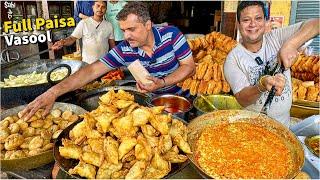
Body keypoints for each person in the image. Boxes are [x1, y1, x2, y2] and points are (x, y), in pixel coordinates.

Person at [21, 1, 195, 120]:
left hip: (182, 104)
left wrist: (162, 82)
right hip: (150, 108)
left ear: (148, 25)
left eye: (131, 29)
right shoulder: (125, 49)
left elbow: (189, 67)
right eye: (123, 30)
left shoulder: (171, 35)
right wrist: (53, 92)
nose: (126, 36)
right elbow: (91, 71)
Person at [224, 1, 319, 127]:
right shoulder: (233, 59)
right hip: (254, 126)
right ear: (238, 24)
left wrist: (290, 45)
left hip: (284, 124)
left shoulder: (276, 38)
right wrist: (261, 86)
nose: (253, 24)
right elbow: (242, 99)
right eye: (246, 20)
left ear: (265, 21)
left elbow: (316, 24)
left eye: (258, 18)